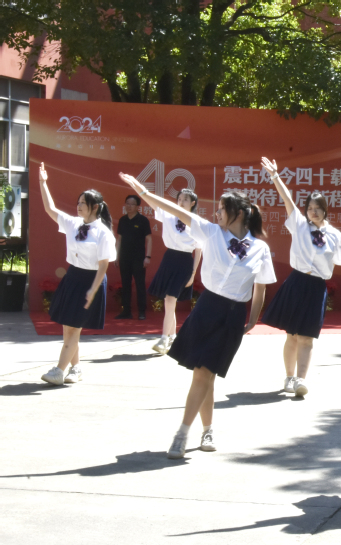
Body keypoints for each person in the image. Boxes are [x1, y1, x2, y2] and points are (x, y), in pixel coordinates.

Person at [119, 173, 276, 459]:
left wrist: (252, 320)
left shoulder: (260, 249)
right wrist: (141, 190)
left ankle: (203, 430)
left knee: (208, 374)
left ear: (238, 213)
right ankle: (187, 432)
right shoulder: (210, 231)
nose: (216, 213)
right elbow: (173, 209)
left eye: (221, 208)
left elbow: (261, 285)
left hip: (233, 316)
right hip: (208, 308)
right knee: (203, 374)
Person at [259, 157, 341, 397]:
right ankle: (288, 376)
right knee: (292, 335)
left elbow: (335, 262)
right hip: (296, 282)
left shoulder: (335, 234)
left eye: (318, 208)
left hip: (317, 287)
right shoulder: (298, 224)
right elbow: (287, 199)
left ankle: (300, 380)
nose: (313, 212)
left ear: (326, 209)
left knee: (307, 338)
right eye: (310, 208)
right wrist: (276, 176)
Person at [39, 163, 116, 385]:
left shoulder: (104, 233)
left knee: (74, 328)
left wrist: (93, 289)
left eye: (84, 203)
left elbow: (103, 265)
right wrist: (43, 183)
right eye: (79, 202)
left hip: (91, 281)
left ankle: (58, 371)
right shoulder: (73, 223)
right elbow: (50, 209)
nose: (79, 205)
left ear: (96, 207)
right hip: (73, 277)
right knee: (68, 328)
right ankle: (76, 368)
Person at [148, 189, 203, 354]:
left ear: (193, 203)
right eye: (179, 199)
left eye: (185, 199)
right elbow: (153, 204)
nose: (181, 202)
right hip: (169, 259)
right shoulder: (169, 215)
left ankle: (164, 338)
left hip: (185, 261)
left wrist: (193, 273)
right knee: (168, 300)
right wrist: (141, 190)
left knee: (171, 299)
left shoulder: (197, 222)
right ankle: (171, 336)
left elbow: (199, 250)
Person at [115, 194, 152, 320]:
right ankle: (126, 311)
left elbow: (149, 239)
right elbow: (119, 239)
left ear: (138, 206)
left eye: (132, 204)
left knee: (140, 284)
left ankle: (142, 311)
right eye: (127, 203)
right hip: (124, 257)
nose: (129, 206)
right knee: (125, 284)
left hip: (139, 258)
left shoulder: (143, 220)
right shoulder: (122, 220)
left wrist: (148, 256)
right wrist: (116, 256)